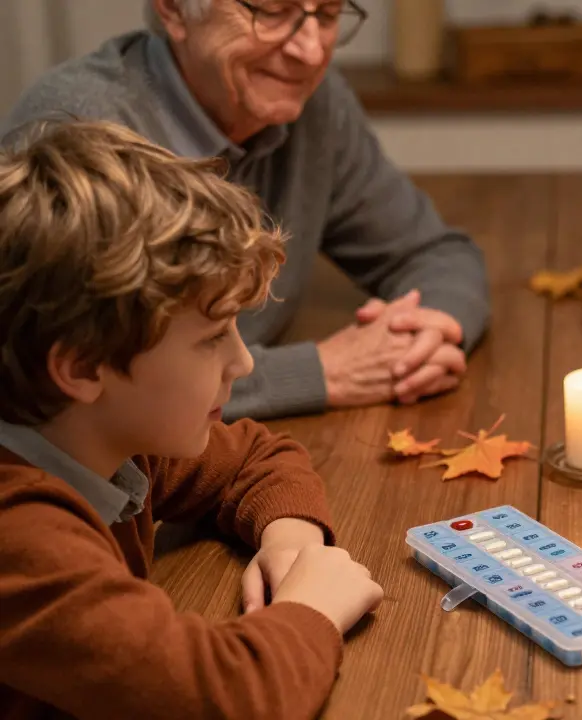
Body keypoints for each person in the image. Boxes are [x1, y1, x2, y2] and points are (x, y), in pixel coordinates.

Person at [0, 120, 384, 718]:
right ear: (81, 367)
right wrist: (313, 609)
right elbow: (225, 698)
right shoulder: (20, 538)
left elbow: (258, 457)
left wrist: (291, 543)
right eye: (211, 339)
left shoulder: (102, 438)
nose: (244, 360)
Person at [3, 0, 491, 421]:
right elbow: (72, 386)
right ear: (173, 8)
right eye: (272, 10)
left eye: (328, 13)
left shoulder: (313, 104)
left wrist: (427, 334)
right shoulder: (77, 133)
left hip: (237, 458)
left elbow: (438, 253)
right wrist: (318, 372)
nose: (312, 50)